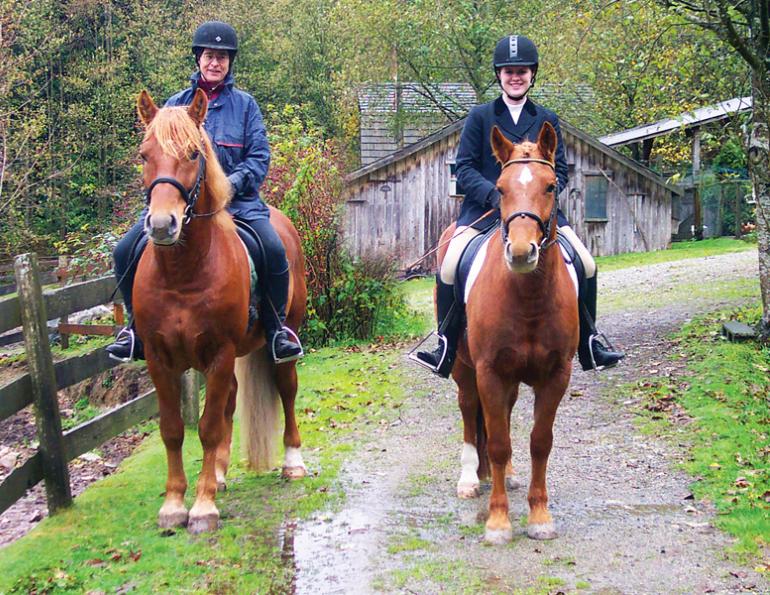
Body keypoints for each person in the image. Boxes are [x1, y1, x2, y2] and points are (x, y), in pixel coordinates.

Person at [415, 34, 624, 377]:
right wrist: (497, 198)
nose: (516, 76)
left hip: (539, 216)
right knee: (450, 265)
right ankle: (445, 345)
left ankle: (590, 342)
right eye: (509, 71)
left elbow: (559, 171)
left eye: (522, 71)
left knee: (586, 264)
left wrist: (535, 201)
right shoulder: (480, 117)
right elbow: (464, 167)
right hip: (485, 212)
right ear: (499, 74)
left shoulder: (546, 118)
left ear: (532, 75)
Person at [106, 20, 303, 364]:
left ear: (230, 63)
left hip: (238, 205)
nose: (215, 63)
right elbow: (159, 158)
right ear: (198, 58)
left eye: (223, 57)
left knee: (273, 249)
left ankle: (275, 331)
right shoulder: (174, 106)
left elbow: (259, 158)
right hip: (181, 205)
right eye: (210, 55)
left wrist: (230, 185)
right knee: (124, 250)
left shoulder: (246, 106)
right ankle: (135, 331)